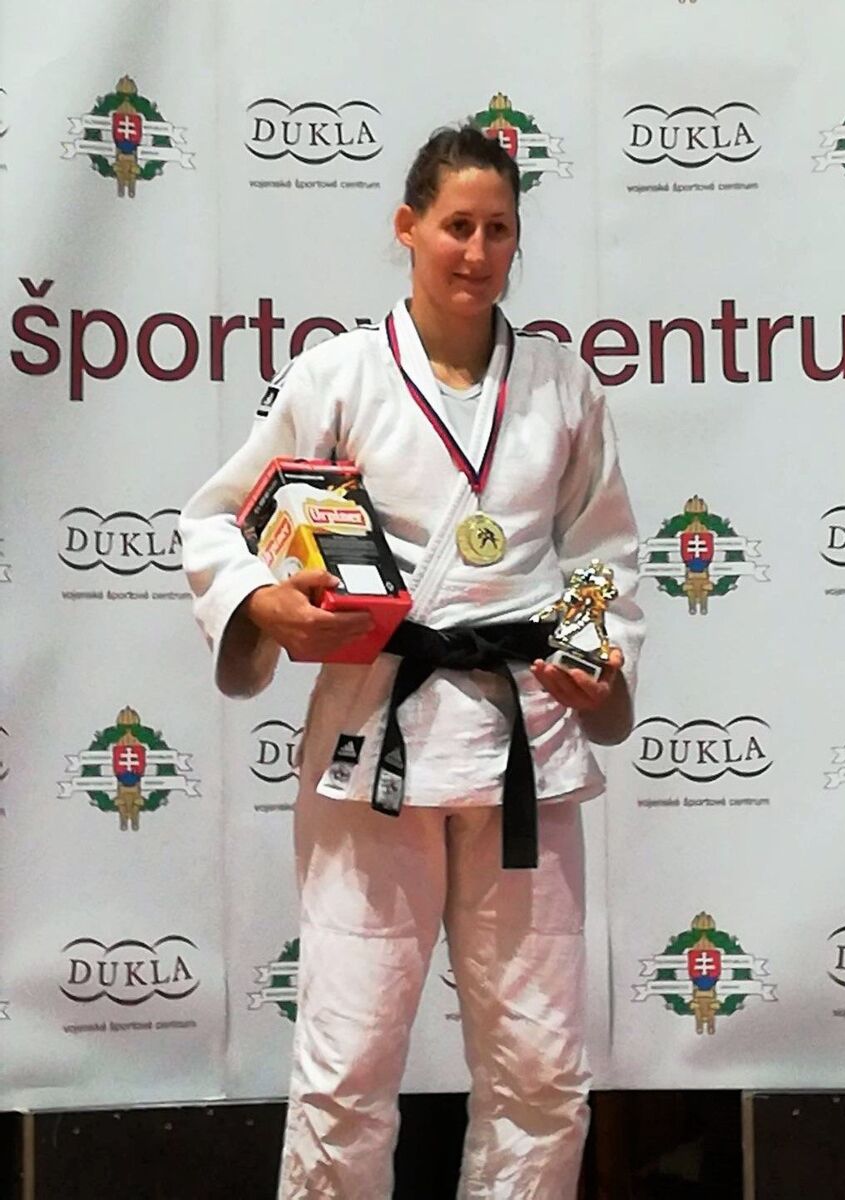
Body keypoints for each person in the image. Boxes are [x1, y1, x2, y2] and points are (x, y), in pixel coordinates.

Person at [180, 125, 644, 1200]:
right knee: (348, 1066)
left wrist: (595, 657)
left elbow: (602, 551)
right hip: (374, 740)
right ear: (408, 227)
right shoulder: (336, 375)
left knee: (541, 1069)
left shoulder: (561, 386)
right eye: (456, 227)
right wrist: (266, 602)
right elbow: (216, 521)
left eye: (498, 230)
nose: (477, 252)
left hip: (525, 747)